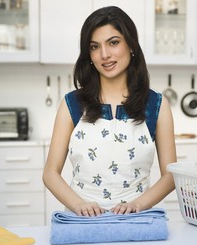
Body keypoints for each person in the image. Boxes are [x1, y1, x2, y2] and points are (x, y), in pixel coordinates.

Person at [43, 6, 176, 217]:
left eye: (113, 43)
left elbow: (170, 175)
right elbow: (50, 173)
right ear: (89, 54)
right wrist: (79, 205)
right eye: (95, 47)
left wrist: (138, 205)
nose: (104, 55)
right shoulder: (72, 104)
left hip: (136, 219)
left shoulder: (157, 105)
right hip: (80, 220)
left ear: (131, 45)